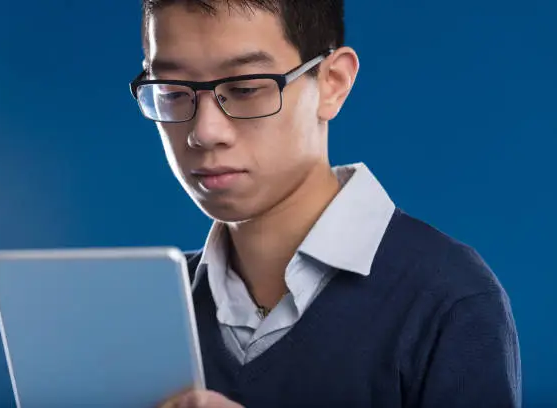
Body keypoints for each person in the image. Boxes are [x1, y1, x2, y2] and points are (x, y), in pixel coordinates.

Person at [129, 1, 522, 407]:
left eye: (245, 88)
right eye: (173, 92)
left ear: (333, 81)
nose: (204, 133)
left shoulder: (448, 298)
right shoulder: (149, 315)